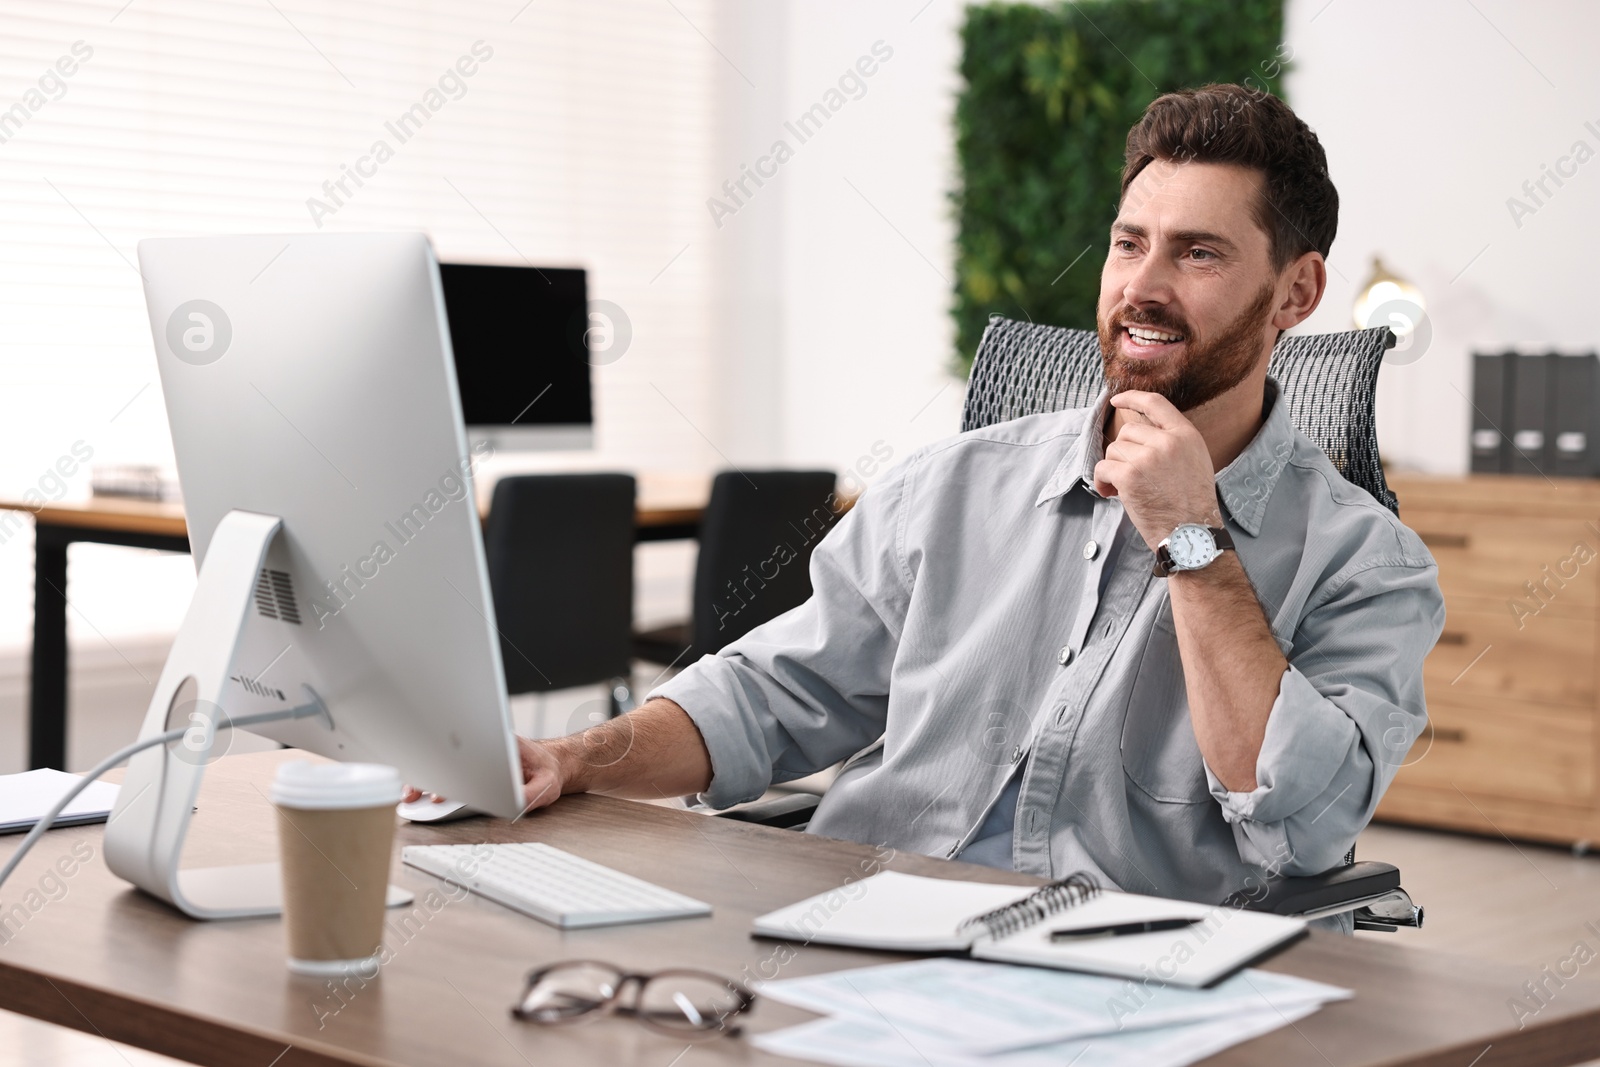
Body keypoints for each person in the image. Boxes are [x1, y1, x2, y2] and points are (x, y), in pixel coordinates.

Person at [511, 83, 1445, 911]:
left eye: (1198, 254)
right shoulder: (951, 483)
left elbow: (1304, 826)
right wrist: (575, 758)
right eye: (1129, 245)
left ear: (1297, 292)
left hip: (1109, 980)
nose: (1141, 288)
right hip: (853, 924)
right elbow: (773, 690)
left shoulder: (1367, 561)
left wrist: (1192, 538)